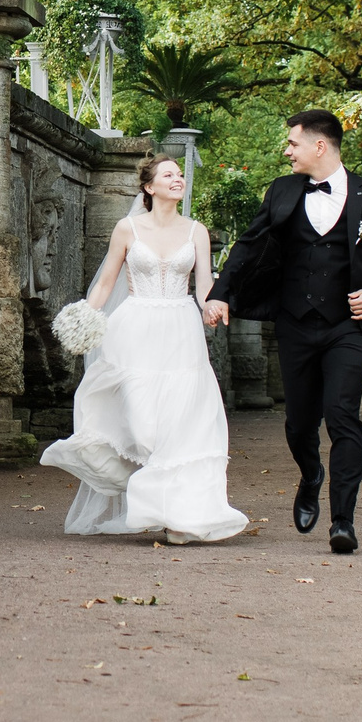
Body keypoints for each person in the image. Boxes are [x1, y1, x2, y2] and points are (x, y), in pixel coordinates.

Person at [203, 110, 362, 554]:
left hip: (348, 327)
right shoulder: (282, 189)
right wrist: (221, 293)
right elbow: (250, 243)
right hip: (295, 323)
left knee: (342, 416)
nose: (287, 151)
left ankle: (343, 522)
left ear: (320, 145)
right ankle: (311, 472)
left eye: (293, 143)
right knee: (299, 425)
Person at [39, 154, 250, 545]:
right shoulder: (127, 228)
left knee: (182, 421)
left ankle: (177, 515)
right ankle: (143, 491)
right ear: (149, 187)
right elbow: (105, 283)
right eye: (169, 174)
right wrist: (84, 317)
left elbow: (203, 285)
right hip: (134, 328)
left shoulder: (196, 231)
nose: (178, 179)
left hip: (180, 330)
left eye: (181, 174)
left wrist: (214, 305)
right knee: (142, 423)